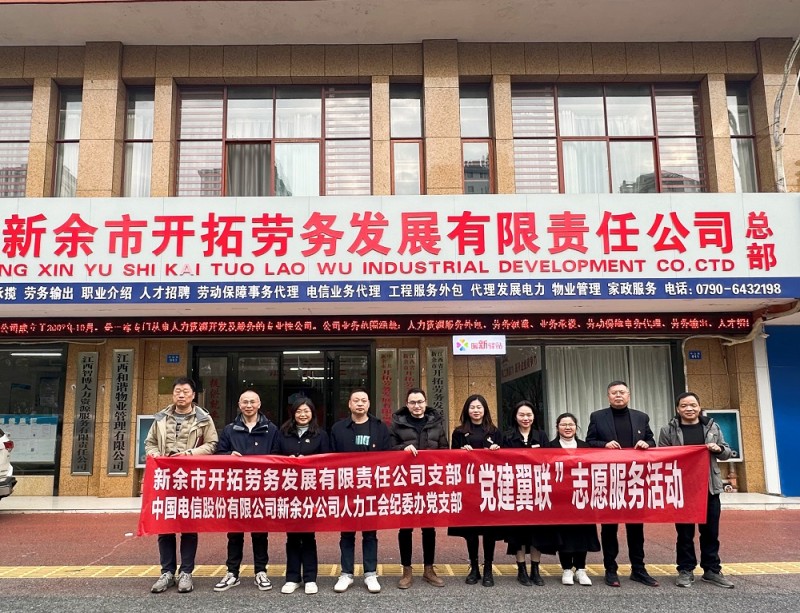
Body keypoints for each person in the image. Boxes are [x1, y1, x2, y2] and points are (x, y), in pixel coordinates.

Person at [145, 377, 218, 594]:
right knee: (164, 525)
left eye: (186, 391)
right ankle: (167, 572)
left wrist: (189, 454)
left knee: (189, 525)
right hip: (165, 477)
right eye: (178, 391)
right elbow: (149, 443)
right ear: (173, 394)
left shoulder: (204, 419)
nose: (181, 395)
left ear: (193, 395)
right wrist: (157, 456)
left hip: (190, 477)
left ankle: (186, 572)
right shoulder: (160, 418)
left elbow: (212, 444)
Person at [658, 392, 734, 589]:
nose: (689, 409)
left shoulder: (712, 427)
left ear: (699, 407)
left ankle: (712, 570)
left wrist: (718, 449)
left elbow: (727, 452)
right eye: (684, 405)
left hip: (709, 488)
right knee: (684, 534)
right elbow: (661, 457)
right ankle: (685, 569)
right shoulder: (668, 430)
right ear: (677, 409)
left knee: (710, 532)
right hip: (682, 489)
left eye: (693, 405)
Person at [586, 380, 658, 588]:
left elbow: (652, 442)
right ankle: (610, 569)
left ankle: (639, 569)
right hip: (610, 480)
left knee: (636, 528)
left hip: (635, 480)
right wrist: (604, 445)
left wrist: (646, 444)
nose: (618, 395)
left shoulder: (641, 417)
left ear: (629, 395)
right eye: (614, 393)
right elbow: (589, 442)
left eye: (622, 392)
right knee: (609, 528)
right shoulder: (597, 417)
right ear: (608, 396)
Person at [212, 389, 278, 593]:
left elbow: (278, 455)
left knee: (260, 533)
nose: (248, 406)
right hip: (236, 489)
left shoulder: (271, 429)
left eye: (252, 402)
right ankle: (232, 572)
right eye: (245, 402)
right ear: (239, 405)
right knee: (234, 533)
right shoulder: (230, 429)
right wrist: (228, 456)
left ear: (259, 404)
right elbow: (219, 454)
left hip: (261, 489)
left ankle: (261, 571)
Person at [330, 388, 391, 594]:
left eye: (363, 400)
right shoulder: (338, 428)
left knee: (370, 533)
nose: (360, 404)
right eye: (356, 400)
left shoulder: (380, 428)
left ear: (369, 404)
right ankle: (346, 573)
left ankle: (370, 573)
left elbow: (387, 458)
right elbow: (330, 459)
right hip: (346, 489)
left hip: (371, 489)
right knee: (347, 533)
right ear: (349, 404)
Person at [389, 387, 449, 589]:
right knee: (405, 527)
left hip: (430, 482)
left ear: (426, 402)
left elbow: (445, 450)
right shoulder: (397, 424)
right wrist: (402, 449)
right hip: (405, 482)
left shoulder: (436, 424)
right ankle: (406, 570)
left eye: (420, 402)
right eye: (413, 402)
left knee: (429, 527)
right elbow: (388, 449)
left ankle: (429, 569)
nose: (417, 406)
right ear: (407, 404)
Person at [273, 397, 331, 595]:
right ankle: (292, 577)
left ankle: (310, 578)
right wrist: (286, 461)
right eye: (299, 411)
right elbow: (273, 457)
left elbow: (328, 462)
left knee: (308, 535)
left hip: (310, 493)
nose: (303, 414)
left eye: (306, 411)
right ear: (293, 413)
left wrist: (309, 463)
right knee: (291, 536)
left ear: (312, 413)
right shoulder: (282, 433)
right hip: (288, 492)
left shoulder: (321, 435)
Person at [448, 394, 502, 587]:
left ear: (485, 409)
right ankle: (474, 567)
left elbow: (504, 460)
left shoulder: (494, 431)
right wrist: (461, 453)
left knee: (489, 530)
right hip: (468, 487)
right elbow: (452, 458)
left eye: (479, 407)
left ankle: (488, 568)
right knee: (470, 530)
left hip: (489, 487)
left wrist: (497, 451)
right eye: (472, 407)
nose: (476, 410)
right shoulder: (459, 432)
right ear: (467, 410)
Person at [546, 412, 601, 586]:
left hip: (582, 497)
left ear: (576, 427)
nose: (567, 428)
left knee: (582, 533)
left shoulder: (586, 446)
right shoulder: (549, 447)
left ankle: (581, 569)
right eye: (563, 425)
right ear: (557, 427)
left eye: (571, 424)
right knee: (564, 534)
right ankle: (567, 569)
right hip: (560, 499)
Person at [502, 400, 551, 586]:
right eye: (521, 415)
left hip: (537, 490)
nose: (526, 418)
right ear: (515, 417)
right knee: (518, 532)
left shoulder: (541, 436)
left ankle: (535, 569)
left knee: (537, 532)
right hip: (515, 491)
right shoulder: (507, 437)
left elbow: (549, 460)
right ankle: (521, 569)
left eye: (529, 415)